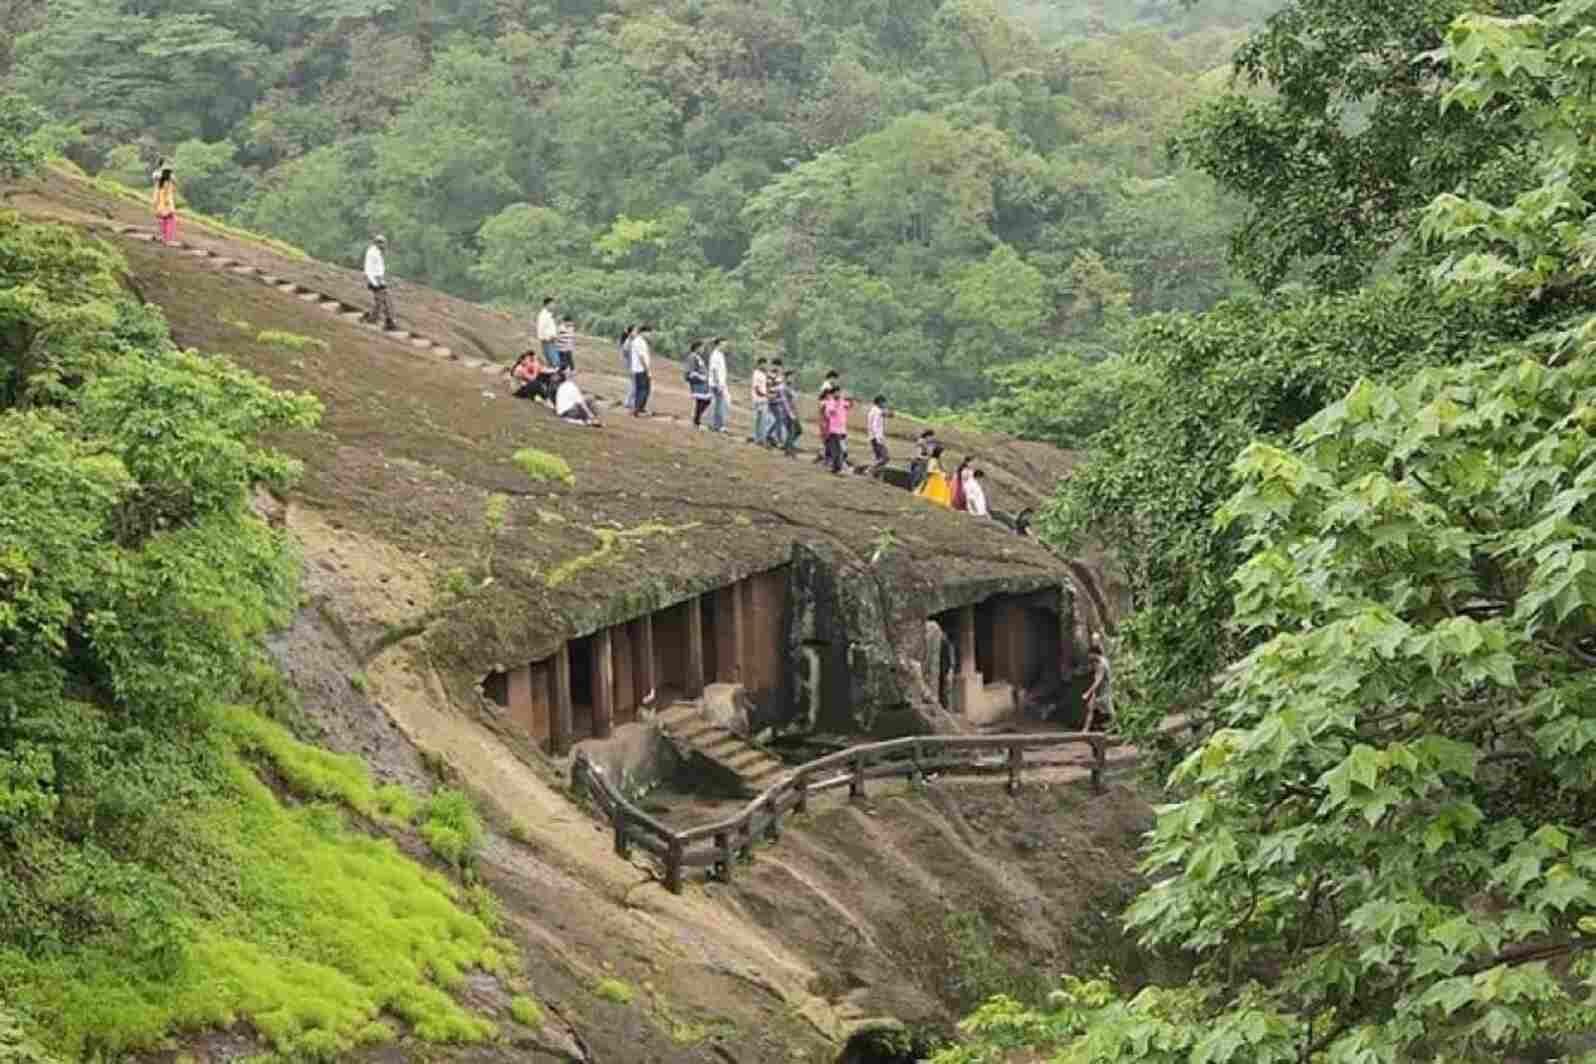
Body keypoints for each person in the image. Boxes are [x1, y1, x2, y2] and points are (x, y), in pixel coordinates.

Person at [362, 235, 396, 329]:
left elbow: (378, 268)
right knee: (380, 301)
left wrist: (382, 281)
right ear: (377, 243)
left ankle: (387, 321)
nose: (384, 245)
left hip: (379, 279)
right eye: (382, 243)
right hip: (374, 280)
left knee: (384, 300)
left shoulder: (377, 252)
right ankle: (373, 319)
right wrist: (375, 283)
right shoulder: (372, 253)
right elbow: (368, 268)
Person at [820, 384, 852, 474]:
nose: (838, 394)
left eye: (839, 392)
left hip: (842, 429)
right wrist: (837, 404)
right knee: (837, 449)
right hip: (833, 429)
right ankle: (836, 468)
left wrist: (849, 399)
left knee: (841, 449)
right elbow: (828, 413)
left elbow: (849, 405)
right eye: (836, 392)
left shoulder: (842, 401)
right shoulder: (831, 402)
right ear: (833, 394)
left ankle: (836, 467)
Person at [1083, 636, 1112, 732]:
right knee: (1091, 708)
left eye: (1090, 655)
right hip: (1101, 692)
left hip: (1104, 692)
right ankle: (1085, 730)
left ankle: (1086, 730)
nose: (1088, 657)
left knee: (1109, 712)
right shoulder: (1103, 660)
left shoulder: (1101, 664)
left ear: (1094, 654)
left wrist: (1088, 692)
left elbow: (1098, 680)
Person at [812, 370, 841, 464]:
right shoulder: (827, 387)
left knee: (826, 436)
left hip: (824, 412)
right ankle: (823, 456)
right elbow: (824, 399)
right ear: (831, 377)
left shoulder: (826, 386)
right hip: (825, 413)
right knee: (827, 436)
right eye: (835, 379)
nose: (835, 381)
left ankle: (823, 455)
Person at [685, 340, 711, 428]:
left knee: (704, 401)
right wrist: (701, 377)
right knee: (702, 401)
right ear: (697, 348)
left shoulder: (697, 357)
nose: (703, 349)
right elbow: (690, 371)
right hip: (698, 383)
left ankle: (697, 420)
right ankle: (696, 421)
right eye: (702, 347)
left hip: (702, 383)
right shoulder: (692, 357)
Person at [630, 324, 654, 416]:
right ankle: (638, 409)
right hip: (641, 369)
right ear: (644, 332)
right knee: (643, 390)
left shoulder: (641, 341)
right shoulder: (638, 341)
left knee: (644, 389)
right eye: (649, 333)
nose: (650, 335)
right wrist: (647, 371)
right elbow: (641, 357)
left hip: (640, 369)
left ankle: (640, 408)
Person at [708, 337, 730, 433]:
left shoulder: (721, 355)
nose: (725, 346)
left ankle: (717, 425)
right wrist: (718, 384)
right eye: (723, 344)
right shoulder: (715, 355)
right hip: (716, 384)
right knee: (720, 405)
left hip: (721, 384)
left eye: (726, 345)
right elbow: (714, 370)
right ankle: (717, 425)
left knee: (720, 405)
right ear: (718, 344)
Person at [152, 164, 179, 245]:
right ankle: (168, 239)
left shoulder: (159, 183)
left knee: (163, 222)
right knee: (171, 222)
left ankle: (164, 237)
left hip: (160, 206)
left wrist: (155, 206)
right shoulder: (169, 183)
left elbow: (155, 197)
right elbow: (169, 195)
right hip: (167, 206)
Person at [867, 396, 890, 475]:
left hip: (872, 437)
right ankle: (870, 469)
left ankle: (874, 474)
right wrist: (878, 438)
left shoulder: (873, 410)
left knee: (879, 458)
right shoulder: (877, 411)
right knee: (885, 457)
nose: (885, 404)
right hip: (877, 437)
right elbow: (875, 425)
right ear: (880, 402)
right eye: (884, 402)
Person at [749, 358, 771, 444]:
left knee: (761, 421)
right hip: (759, 400)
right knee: (759, 420)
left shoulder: (763, 374)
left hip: (762, 399)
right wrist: (766, 395)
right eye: (764, 364)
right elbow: (757, 389)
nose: (766, 366)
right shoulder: (756, 374)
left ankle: (760, 439)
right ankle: (759, 439)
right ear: (760, 364)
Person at [619, 326, 638, 410]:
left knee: (633, 384)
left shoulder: (630, 342)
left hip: (631, 366)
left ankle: (629, 402)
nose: (637, 333)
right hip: (631, 366)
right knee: (634, 384)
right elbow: (627, 355)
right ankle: (629, 402)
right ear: (630, 333)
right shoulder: (628, 343)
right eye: (635, 331)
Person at [536, 297, 559, 365]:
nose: (554, 305)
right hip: (548, 340)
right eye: (552, 304)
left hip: (550, 340)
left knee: (552, 359)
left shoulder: (548, 314)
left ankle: (554, 373)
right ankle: (556, 374)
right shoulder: (543, 315)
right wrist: (548, 337)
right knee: (554, 360)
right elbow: (541, 328)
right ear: (547, 304)